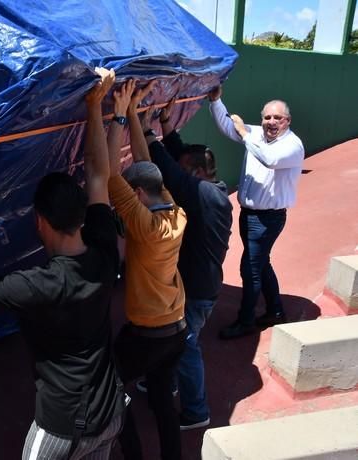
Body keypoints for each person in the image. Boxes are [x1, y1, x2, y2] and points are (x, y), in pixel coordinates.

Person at [0, 68, 124, 460]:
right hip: (110, 413)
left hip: (62, 428)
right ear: (81, 217)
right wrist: (96, 106)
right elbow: (99, 174)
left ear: (40, 221)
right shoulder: (105, 254)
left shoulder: (37, 286)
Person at [131, 95, 233, 431]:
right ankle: (165, 381)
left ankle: (196, 411)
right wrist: (165, 124)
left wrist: (142, 127)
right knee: (175, 340)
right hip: (200, 284)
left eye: (188, 171)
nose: (182, 174)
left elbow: (170, 171)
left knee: (187, 347)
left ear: (200, 172)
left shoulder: (205, 196)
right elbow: (178, 157)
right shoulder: (211, 189)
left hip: (199, 290)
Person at [107, 80, 187, 460]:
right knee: (160, 399)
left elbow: (108, 174)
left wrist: (118, 115)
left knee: (111, 387)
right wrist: (138, 115)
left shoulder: (144, 225)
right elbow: (146, 165)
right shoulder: (173, 210)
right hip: (176, 328)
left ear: (137, 195)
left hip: (149, 333)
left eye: (129, 190)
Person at [208, 86, 305, 339]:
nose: (271, 122)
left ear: (288, 121)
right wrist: (217, 101)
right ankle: (275, 310)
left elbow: (269, 159)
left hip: (267, 219)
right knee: (261, 265)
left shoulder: (292, 145)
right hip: (249, 214)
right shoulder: (257, 135)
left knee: (249, 269)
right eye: (267, 117)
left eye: (277, 118)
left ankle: (246, 320)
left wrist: (243, 131)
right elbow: (228, 127)